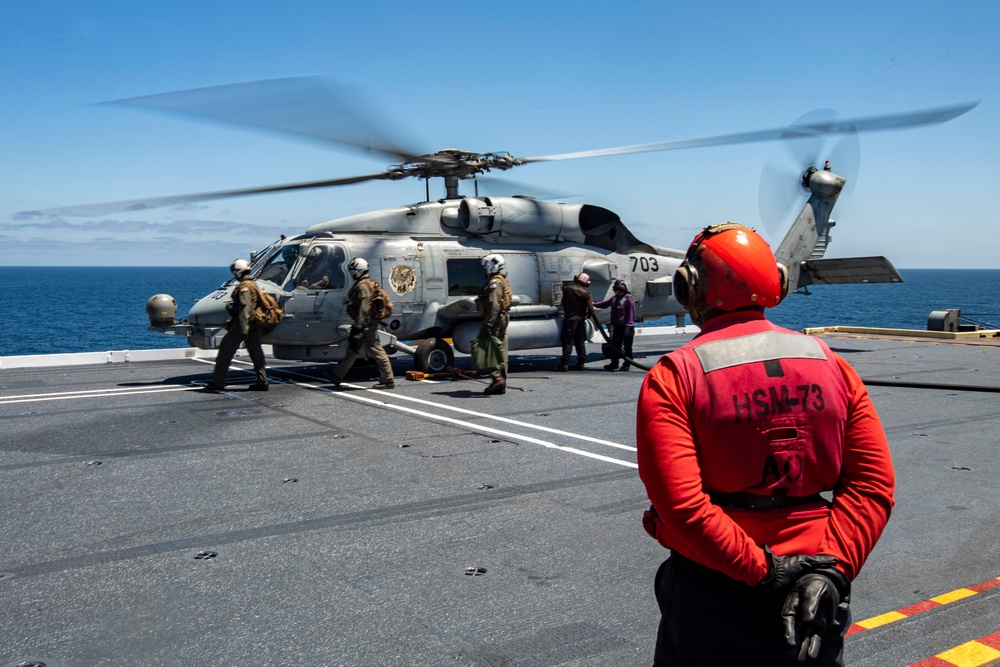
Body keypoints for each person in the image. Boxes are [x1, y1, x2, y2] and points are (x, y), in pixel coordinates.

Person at [636, 222, 895, 666]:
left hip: (715, 590)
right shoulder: (831, 363)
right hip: (816, 590)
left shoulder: (676, 375)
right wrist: (832, 571)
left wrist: (766, 572)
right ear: (774, 282)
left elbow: (682, 506)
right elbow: (873, 485)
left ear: (690, 286)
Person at [328, 258, 395, 390]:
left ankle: (387, 380)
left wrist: (359, 326)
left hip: (366, 324)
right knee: (353, 349)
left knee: (376, 349)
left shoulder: (362, 286)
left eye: (353, 271)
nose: (352, 274)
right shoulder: (366, 284)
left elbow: (364, 306)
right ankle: (337, 375)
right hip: (366, 323)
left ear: (358, 271)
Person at [204, 259, 269, 391]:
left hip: (243, 324)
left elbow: (245, 307)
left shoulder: (244, 287)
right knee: (256, 353)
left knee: (225, 351)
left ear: (238, 272)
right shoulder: (253, 284)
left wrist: (244, 329)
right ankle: (262, 381)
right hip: (253, 324)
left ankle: (218, 381)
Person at [475, 253, 511, 395]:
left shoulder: (494, 284)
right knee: (500, 351)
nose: (484, 270)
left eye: (485, 267)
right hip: (500, 319)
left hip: (494, 320)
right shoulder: (501, 280)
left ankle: (497, 378)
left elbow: (494, 306)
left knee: (484, 348)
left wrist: (488, 325)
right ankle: (500, 381)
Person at [554, 272, 595, 372]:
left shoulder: (567, 289)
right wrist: (587, 315)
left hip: (570, 319)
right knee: (580, 342)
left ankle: (564, 364)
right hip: (580, 320)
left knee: (567, 341)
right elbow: (591, 309)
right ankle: (581, 363)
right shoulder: (586, 294)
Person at [594, 279, 636, 371]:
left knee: (627, 347)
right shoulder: (614, 298)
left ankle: (627, 364)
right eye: (615, 289)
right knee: (615, 346)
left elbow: (631, 314)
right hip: (617, 327)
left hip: (627, 327)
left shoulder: (628, 300)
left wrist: (629, 326)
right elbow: (605, 304)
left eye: (618, 289)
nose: (616, 291)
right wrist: (594, 304)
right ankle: (614, 363)